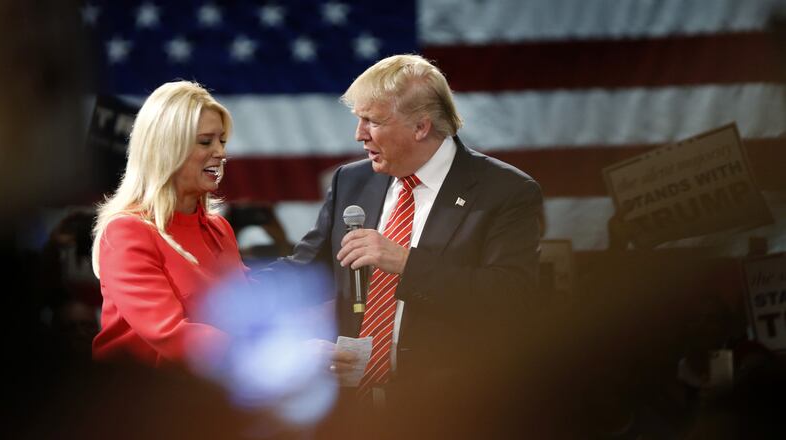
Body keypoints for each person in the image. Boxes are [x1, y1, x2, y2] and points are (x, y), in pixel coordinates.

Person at [282, 54, 543, 438]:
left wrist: (406, 263)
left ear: (421, 126)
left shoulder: (505, 191)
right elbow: (305, 267)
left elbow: (511, 297)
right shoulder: (351, 181)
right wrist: (216, 279)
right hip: (350, 414)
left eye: (372, 121)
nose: (359, 134)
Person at [90, 81, 246, 368]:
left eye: (222, 141)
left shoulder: (219, 229)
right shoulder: (127, 232)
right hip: (138, 393)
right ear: (166, 149)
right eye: (205, 142)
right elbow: (171, 334)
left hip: (211, 388)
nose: (221, 153)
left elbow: (250, 309)